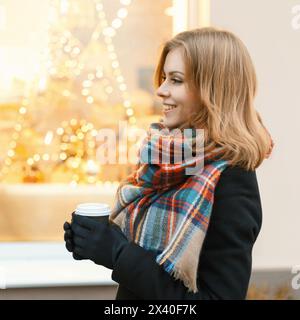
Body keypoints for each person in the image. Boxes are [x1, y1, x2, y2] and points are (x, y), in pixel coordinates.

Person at [63, 27, 274, 300]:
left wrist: (118, 253)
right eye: (164, 78)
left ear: (212, 89)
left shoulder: (231, 177)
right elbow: (148, 263)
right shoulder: (167, 163)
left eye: (175, 80)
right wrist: (96, 242)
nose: (160, 90)